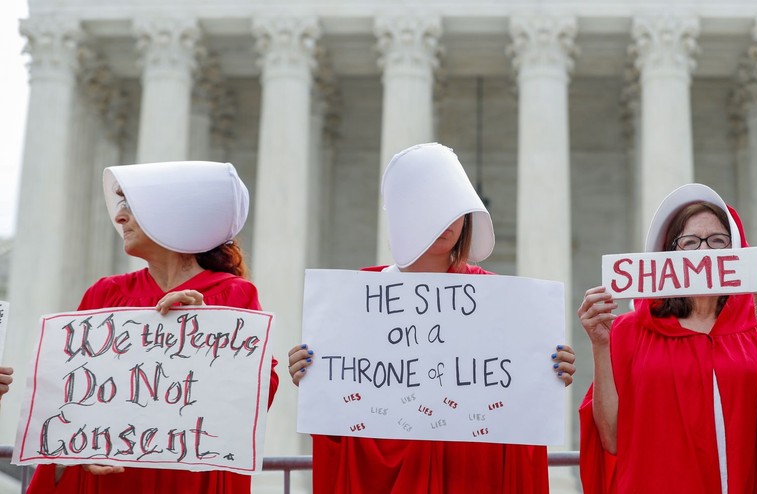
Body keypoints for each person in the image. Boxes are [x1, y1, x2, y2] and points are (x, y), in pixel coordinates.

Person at [288, 142, 576, 493]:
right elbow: (344, 412)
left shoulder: (497, 298)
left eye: (456, 210)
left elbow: (517, 398)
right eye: (431, 206)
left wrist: (548, 370)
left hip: (472, 468)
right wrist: (316, 375)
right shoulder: (359, 296)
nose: (447, 222)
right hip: (386, 466)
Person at [27, 161, 279, 494]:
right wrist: (73, 451)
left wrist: (211, 333)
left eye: (131, 207)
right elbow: (68, 392)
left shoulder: (233, 294)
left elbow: (259, 393)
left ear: (174, 214)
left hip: (188, 479)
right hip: (110, 478)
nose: (119, 218)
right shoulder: (105, 293)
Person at [578, 183, 757, 494]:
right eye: (690, 242)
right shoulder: (628, 332)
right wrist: (600, 346)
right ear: (669, 254)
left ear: (735, 252)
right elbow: (611, 438)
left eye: (717, 241)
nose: (704, 253)